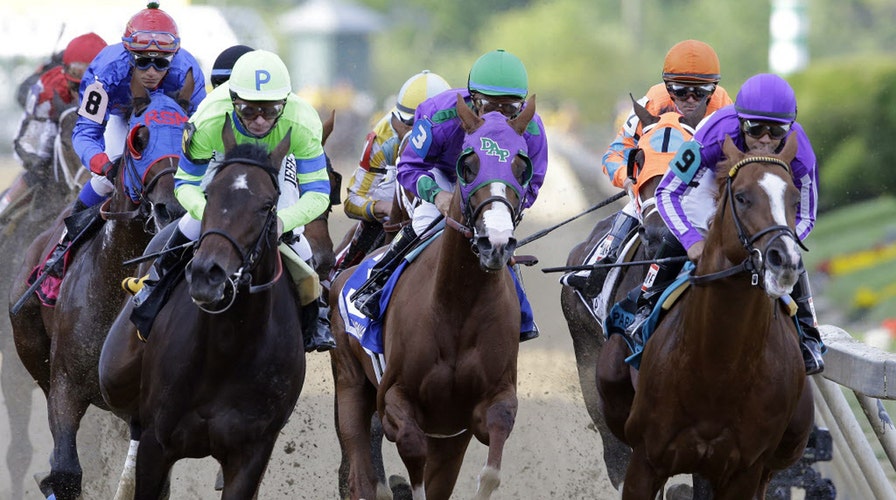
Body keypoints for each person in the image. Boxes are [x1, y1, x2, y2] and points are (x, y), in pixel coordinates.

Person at [122, 49, 335, 352]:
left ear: (285, 104)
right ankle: (152, 290)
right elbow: (185, 183)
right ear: (233, 100)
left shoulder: (302, 122)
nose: (260, 120)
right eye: (249, 111)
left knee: (298, 242)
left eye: (271, 110)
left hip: (275, 164)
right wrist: (211, 213)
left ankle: (316, 317)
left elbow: (317, 194)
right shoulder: (209, 117)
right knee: (193, 223)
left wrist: (282, 222)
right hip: (222, 158)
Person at [615, 73, 824, 375]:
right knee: (696, 222)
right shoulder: (715, 132)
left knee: (787, 250)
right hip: (715, 178)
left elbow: (806, 215)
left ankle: (808, 335)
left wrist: (780, 242)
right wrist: (691, 240)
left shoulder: (800, 152)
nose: (765, 139)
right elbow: (668, 192)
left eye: (776, 131)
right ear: (740, 122)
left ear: (789, 128)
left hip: (767, 197)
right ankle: (646, 305)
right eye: (755, 128)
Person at [351, 49, 548, 342]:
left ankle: (521, 310)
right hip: (443, 174)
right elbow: (409, 166)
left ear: (522, 106)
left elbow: (532, 184)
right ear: (471, 97)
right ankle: (376, 284)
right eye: (487, 105)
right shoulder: (439, 114)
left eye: (508, 108)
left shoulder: (532, 130)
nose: (497, 115)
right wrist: (438, 196)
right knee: (423, 222)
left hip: (493, 190)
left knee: (498, 235)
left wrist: (505, 211)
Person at [45, 2, 206, 272]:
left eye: (161, 62)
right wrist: (105, 167)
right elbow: (85, 131)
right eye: (142, 61)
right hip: (121, 117)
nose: (152, 71)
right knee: (106, 179)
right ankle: (64, 246)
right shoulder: (106, 70)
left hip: (168, 124)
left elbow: (202, 134)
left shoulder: (188, 73)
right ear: (128, 53)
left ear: (174, 57)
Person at [565, 40, 733, 295]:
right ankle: (598, 267)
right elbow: (615, 152)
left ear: (713, 88)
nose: (690, 99)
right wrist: (627, 179)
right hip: (652, 187)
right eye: (680, 90)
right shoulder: (652, 101)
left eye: (699, 92)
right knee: (634, 210)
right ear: (668, 87)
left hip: (700, 188)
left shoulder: (724, 107)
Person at [338, 70, 451, 271]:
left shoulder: (462, 131)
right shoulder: (383, 136)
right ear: (397, 121)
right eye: (411, 126)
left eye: (427, 128)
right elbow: (352, 200)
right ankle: (335, 279)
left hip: (447, 192)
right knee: (369, 227)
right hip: (394, 203)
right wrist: (383, 207)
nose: (419, 137)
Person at [6, 33, 108, 217]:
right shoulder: (48, 90)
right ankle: (4, 208)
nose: (83, 96)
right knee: (38, 170)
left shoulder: (117, 81)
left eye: (90, 88)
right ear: (65, 76)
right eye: (78, 88)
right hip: (49, 126)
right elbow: (27, 142)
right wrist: (36, 162)